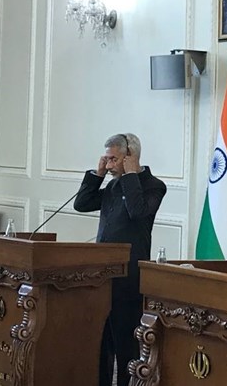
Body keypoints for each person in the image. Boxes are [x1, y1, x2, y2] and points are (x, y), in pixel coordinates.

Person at [74, 133, 166, 386]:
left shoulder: (154, 186)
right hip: (102, 276)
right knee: (101, 343)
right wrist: (97, 175)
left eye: (114, 159)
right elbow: (81, 204)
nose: (110, 165)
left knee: (127, 346)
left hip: (129, 277)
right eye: (107, 159)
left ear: (130, 156)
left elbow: (137, 211)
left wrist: (131, 175)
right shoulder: (113, 185)